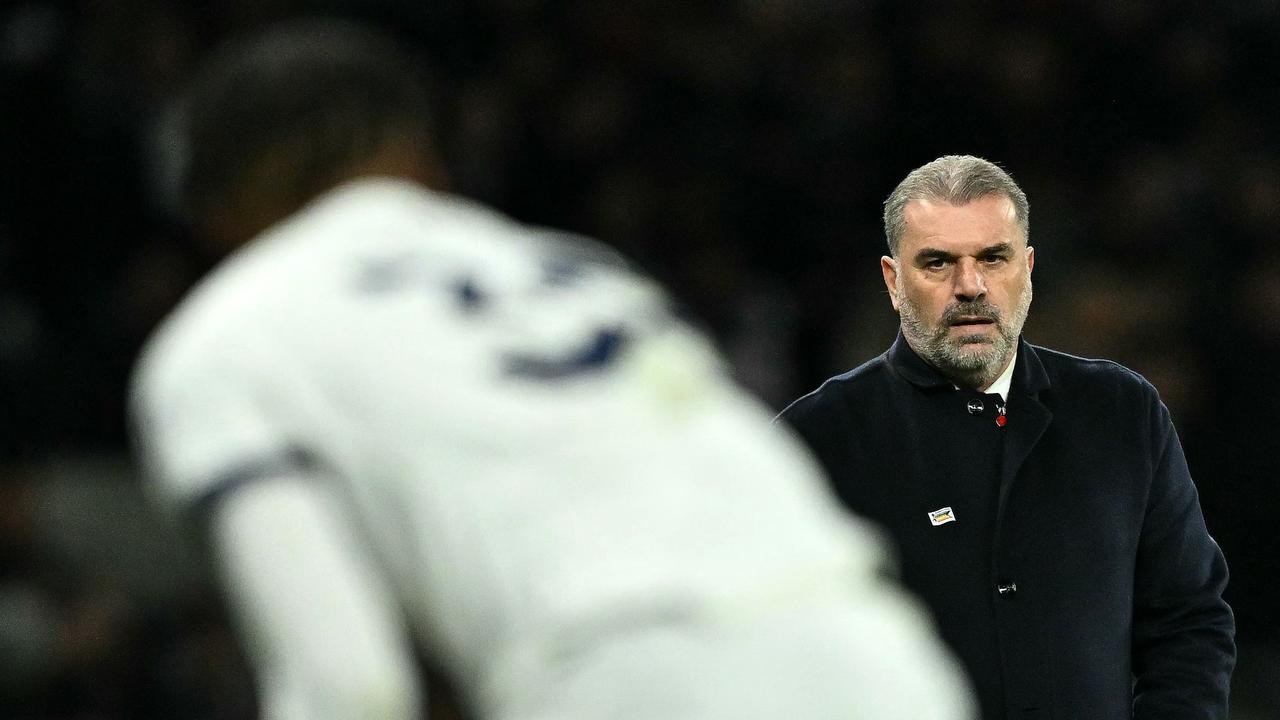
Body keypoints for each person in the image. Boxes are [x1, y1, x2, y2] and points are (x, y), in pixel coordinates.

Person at [128, 20, 977, 720]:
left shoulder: (228, 332)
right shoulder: (581, 273)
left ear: (215, 213)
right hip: (870, 647)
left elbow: (347, 685)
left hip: (625, 671)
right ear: (421, 154)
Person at [777, 155, 1236, 719]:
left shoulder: (1120, 412)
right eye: (938, 263)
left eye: (993, 258)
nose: (970, 286)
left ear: (1029, 268)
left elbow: (1188, 621)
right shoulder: (815, 440)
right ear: (894, 283)